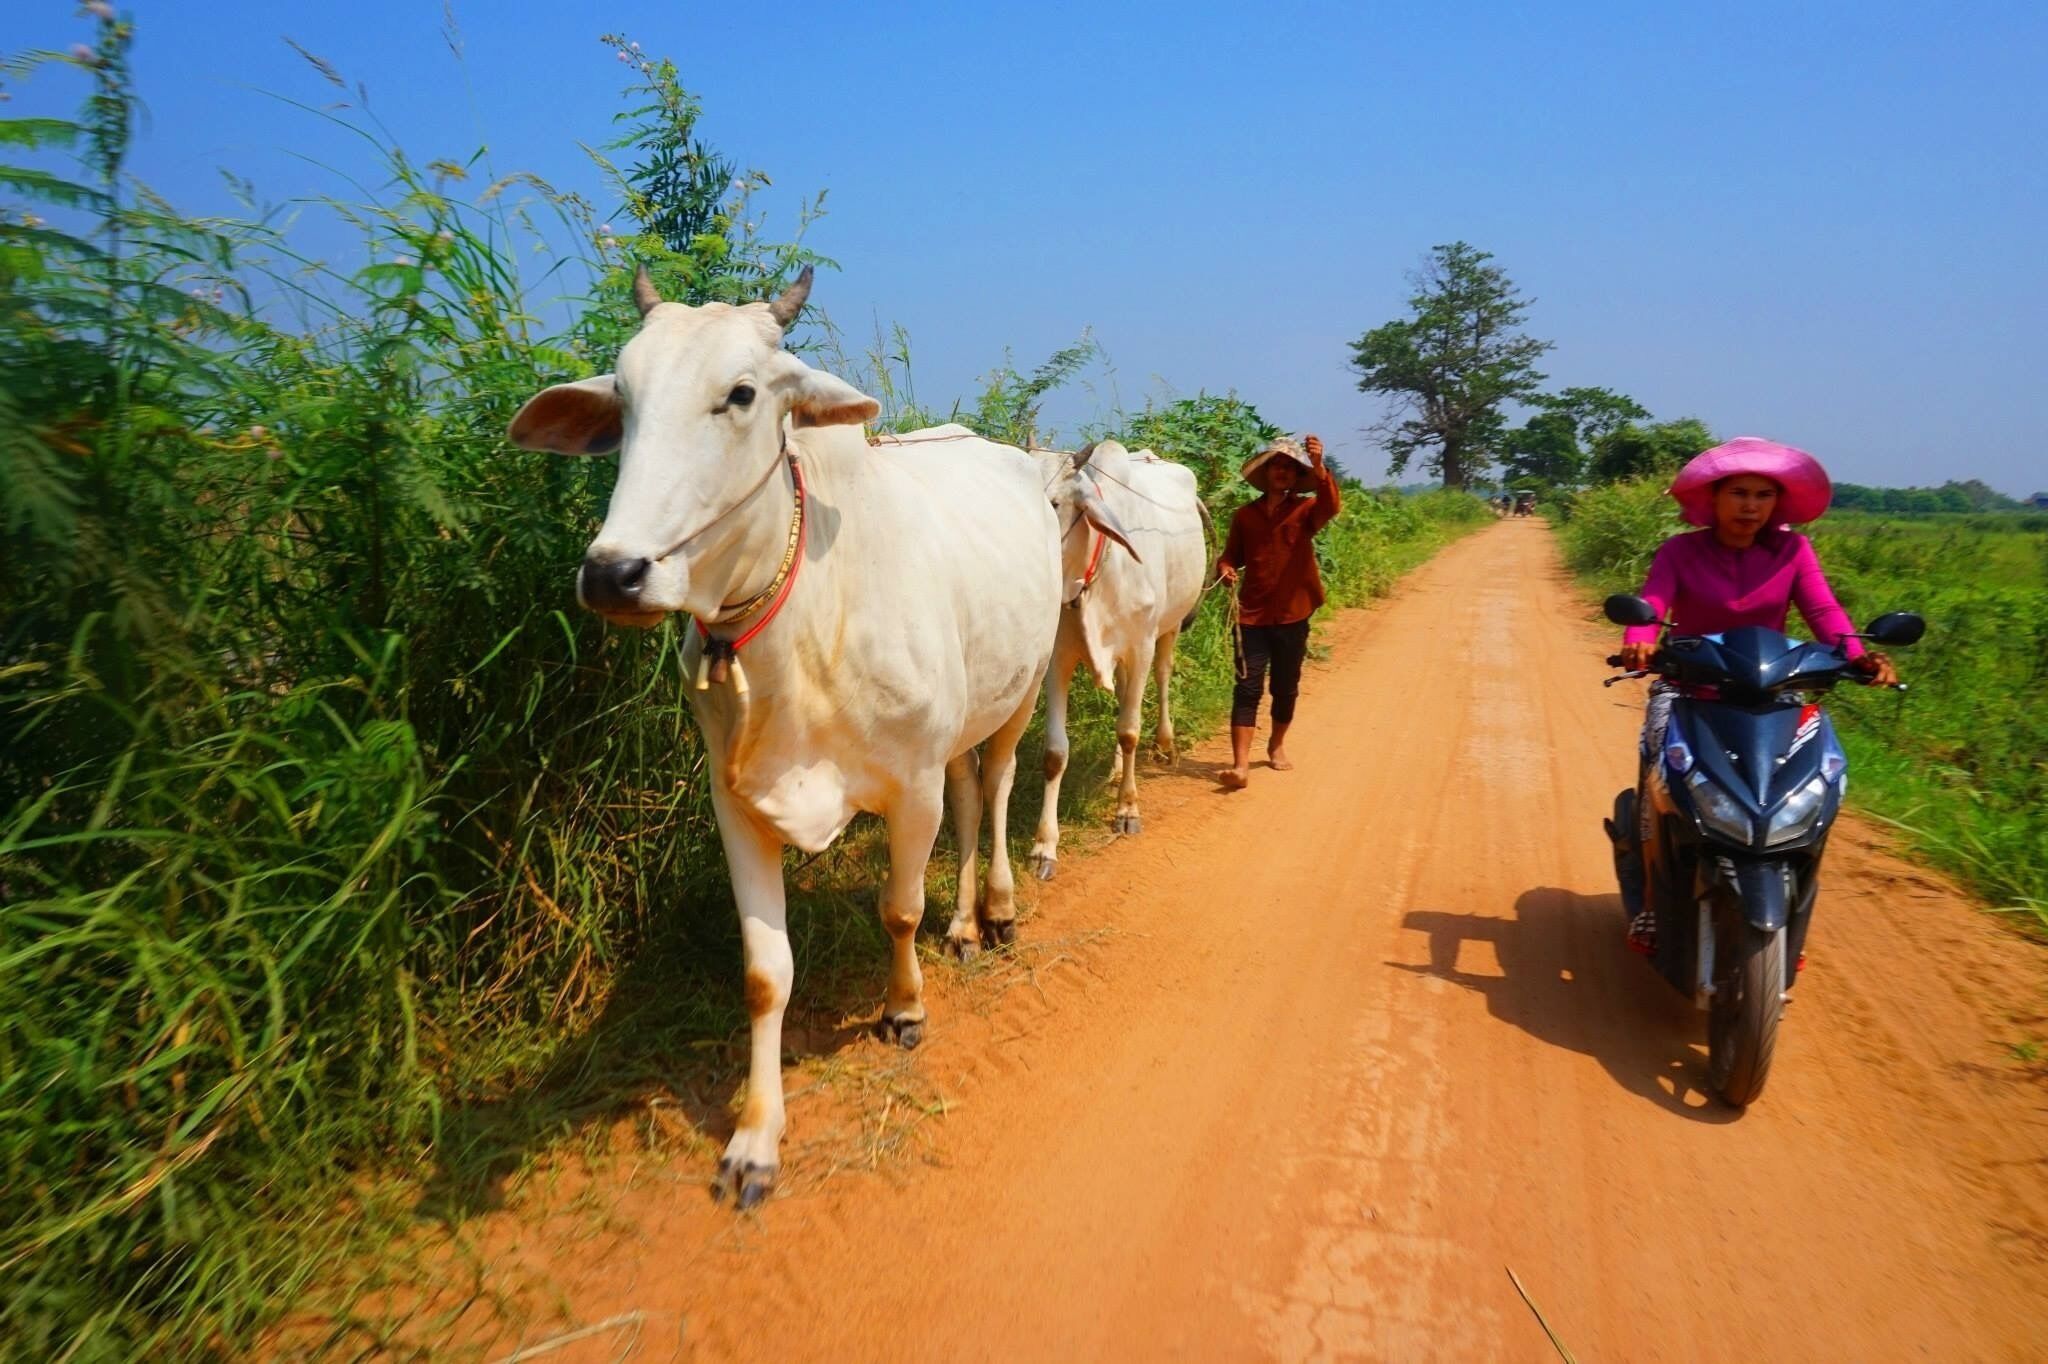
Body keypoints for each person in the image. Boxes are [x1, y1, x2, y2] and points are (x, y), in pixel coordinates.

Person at [1613, 436, 1898, 948]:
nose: (1750, 506)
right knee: (1662, 774)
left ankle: (1794, 893)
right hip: (1689, 687)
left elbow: (1823, 611)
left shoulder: (1793, 550)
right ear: (1715, 499)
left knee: (1814, 777)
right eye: (1740, 493)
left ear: (1776, 504)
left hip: (1772, 690)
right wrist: (1639, 643)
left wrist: (1858, 656)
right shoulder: (1680, 551)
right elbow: (1651, 605)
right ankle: (1652, 898)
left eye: (1763, 496)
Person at [1216, 433, 1341, 790]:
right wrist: (1224, 568)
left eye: (1289, 467)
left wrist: (1318, 466)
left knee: (1285, 687)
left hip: (1293, 613)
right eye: (1276, 466)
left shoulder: (1305, 511)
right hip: (1251, 614)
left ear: (1295, 475)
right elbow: (1231, 556)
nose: (1282, 472)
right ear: (1267, 473)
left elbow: (1330, 505)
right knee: (1246, 687)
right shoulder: (1245, 516)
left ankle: (1276, 745)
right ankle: (1240, 766)